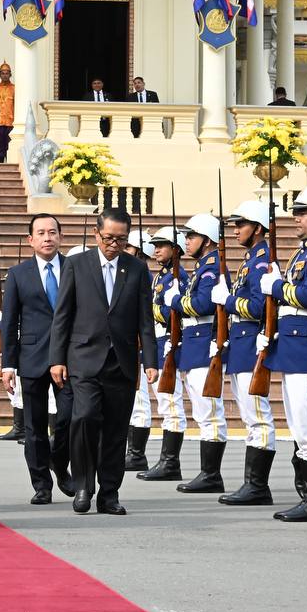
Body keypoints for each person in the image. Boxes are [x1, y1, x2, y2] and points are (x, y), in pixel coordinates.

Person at [50, 208, 159, 516]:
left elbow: (145, 319)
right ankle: (83, 486)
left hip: (121, 361)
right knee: (83, 418)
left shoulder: (136, 269)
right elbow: (62, 315)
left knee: (115, 429)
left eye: (121, 240)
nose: (114, 245)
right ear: (96, 234)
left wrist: (150, 360)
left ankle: (109, 493)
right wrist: (57, 358)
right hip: (84, 358)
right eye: (109, 238)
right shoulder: (76, 264)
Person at [260, 184, 307, 522]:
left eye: (304, 213)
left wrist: (277, 287)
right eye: (296, 213)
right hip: (293, 348)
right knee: (301, 428)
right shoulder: (306, 252)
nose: (297, 218)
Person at [0, 213, 75, 504]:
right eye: (41, 233)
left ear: (61, 236)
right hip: (31, 357)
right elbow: (10, 322)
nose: (47, 238)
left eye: (52, 232)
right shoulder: (18, 274)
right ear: (30, 240)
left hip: (68, 358)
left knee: (70, 418)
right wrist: (8, 364)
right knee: (34, 426)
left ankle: (59, 460)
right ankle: (41, 484)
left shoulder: (74, 269)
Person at [217, 200, 279, 505]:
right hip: (241, 344)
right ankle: (252, 483)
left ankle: (257, 486)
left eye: (241, 225)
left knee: (257, 417)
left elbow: (257, 308)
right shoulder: (251, 260)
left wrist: (228, 301)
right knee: (250, 416)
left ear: (257, 228)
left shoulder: (260, 261)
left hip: (251, 343)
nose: (236, 230)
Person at [170, 213, 229, 494]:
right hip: (195, 343)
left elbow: (203, 304)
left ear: (207, 240)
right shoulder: (204, 266)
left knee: (209, 412)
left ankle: (211, 474)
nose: (186, 241)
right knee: (202, 412)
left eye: (191, 236)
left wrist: (176, 300)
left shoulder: (212, 267)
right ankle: (208, 473)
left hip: (205, 343)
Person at [137, 225, 188, 482]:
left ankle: (170, 462)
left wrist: (147, 311)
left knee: (171, 403)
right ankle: (166, 461)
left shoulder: (178, 277)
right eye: (155, 245)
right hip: (157, 342)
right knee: (165, 403)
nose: (156, 250)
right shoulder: (162, 276)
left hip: (169, 342)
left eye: (162, 246)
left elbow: (172, 314)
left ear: (176, 249)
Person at [123, 229, 155, 471]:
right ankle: (130, 451)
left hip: (142, 344)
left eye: (129, 248)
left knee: (140, 400)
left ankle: (137, 454)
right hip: (129, 342)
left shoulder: (145, 276)